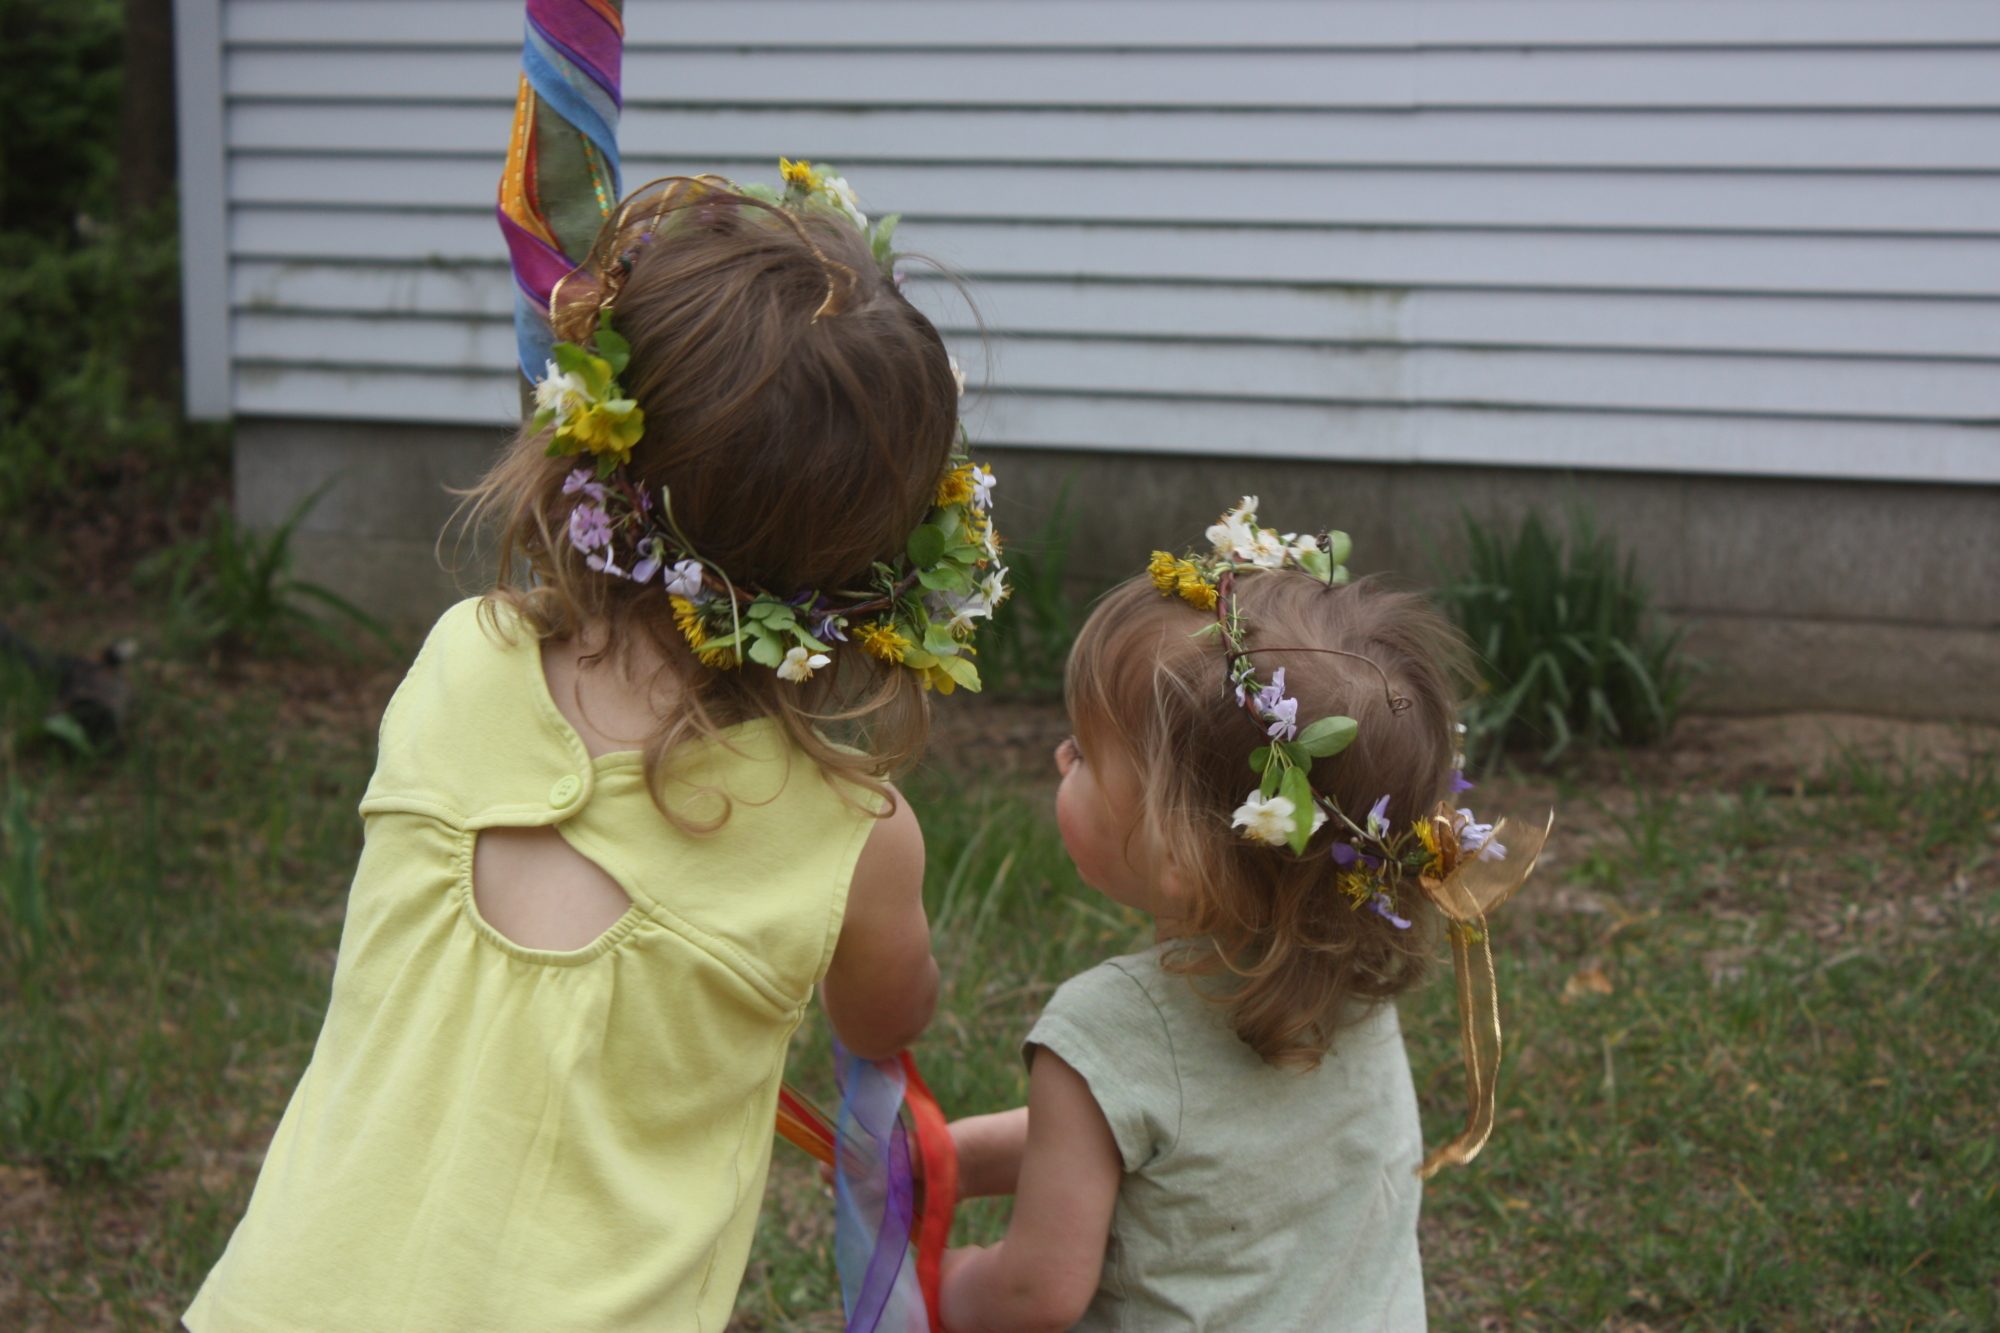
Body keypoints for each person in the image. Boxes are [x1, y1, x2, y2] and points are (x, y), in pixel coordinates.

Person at [185, 165, 1008, 1331]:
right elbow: (887, 1017)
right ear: (893, 559)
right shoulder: (848, 839)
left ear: (594, 442)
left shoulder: (463, 661)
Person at [940, 499, 1540, 1332]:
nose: (1058, 757)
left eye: (1083, 753)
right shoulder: (1350, 986)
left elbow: (1031, 1294)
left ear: (1182, 854)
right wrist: (957, 1160)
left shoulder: (1105, 1029)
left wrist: (938, 1279)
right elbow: (1162, 1131)